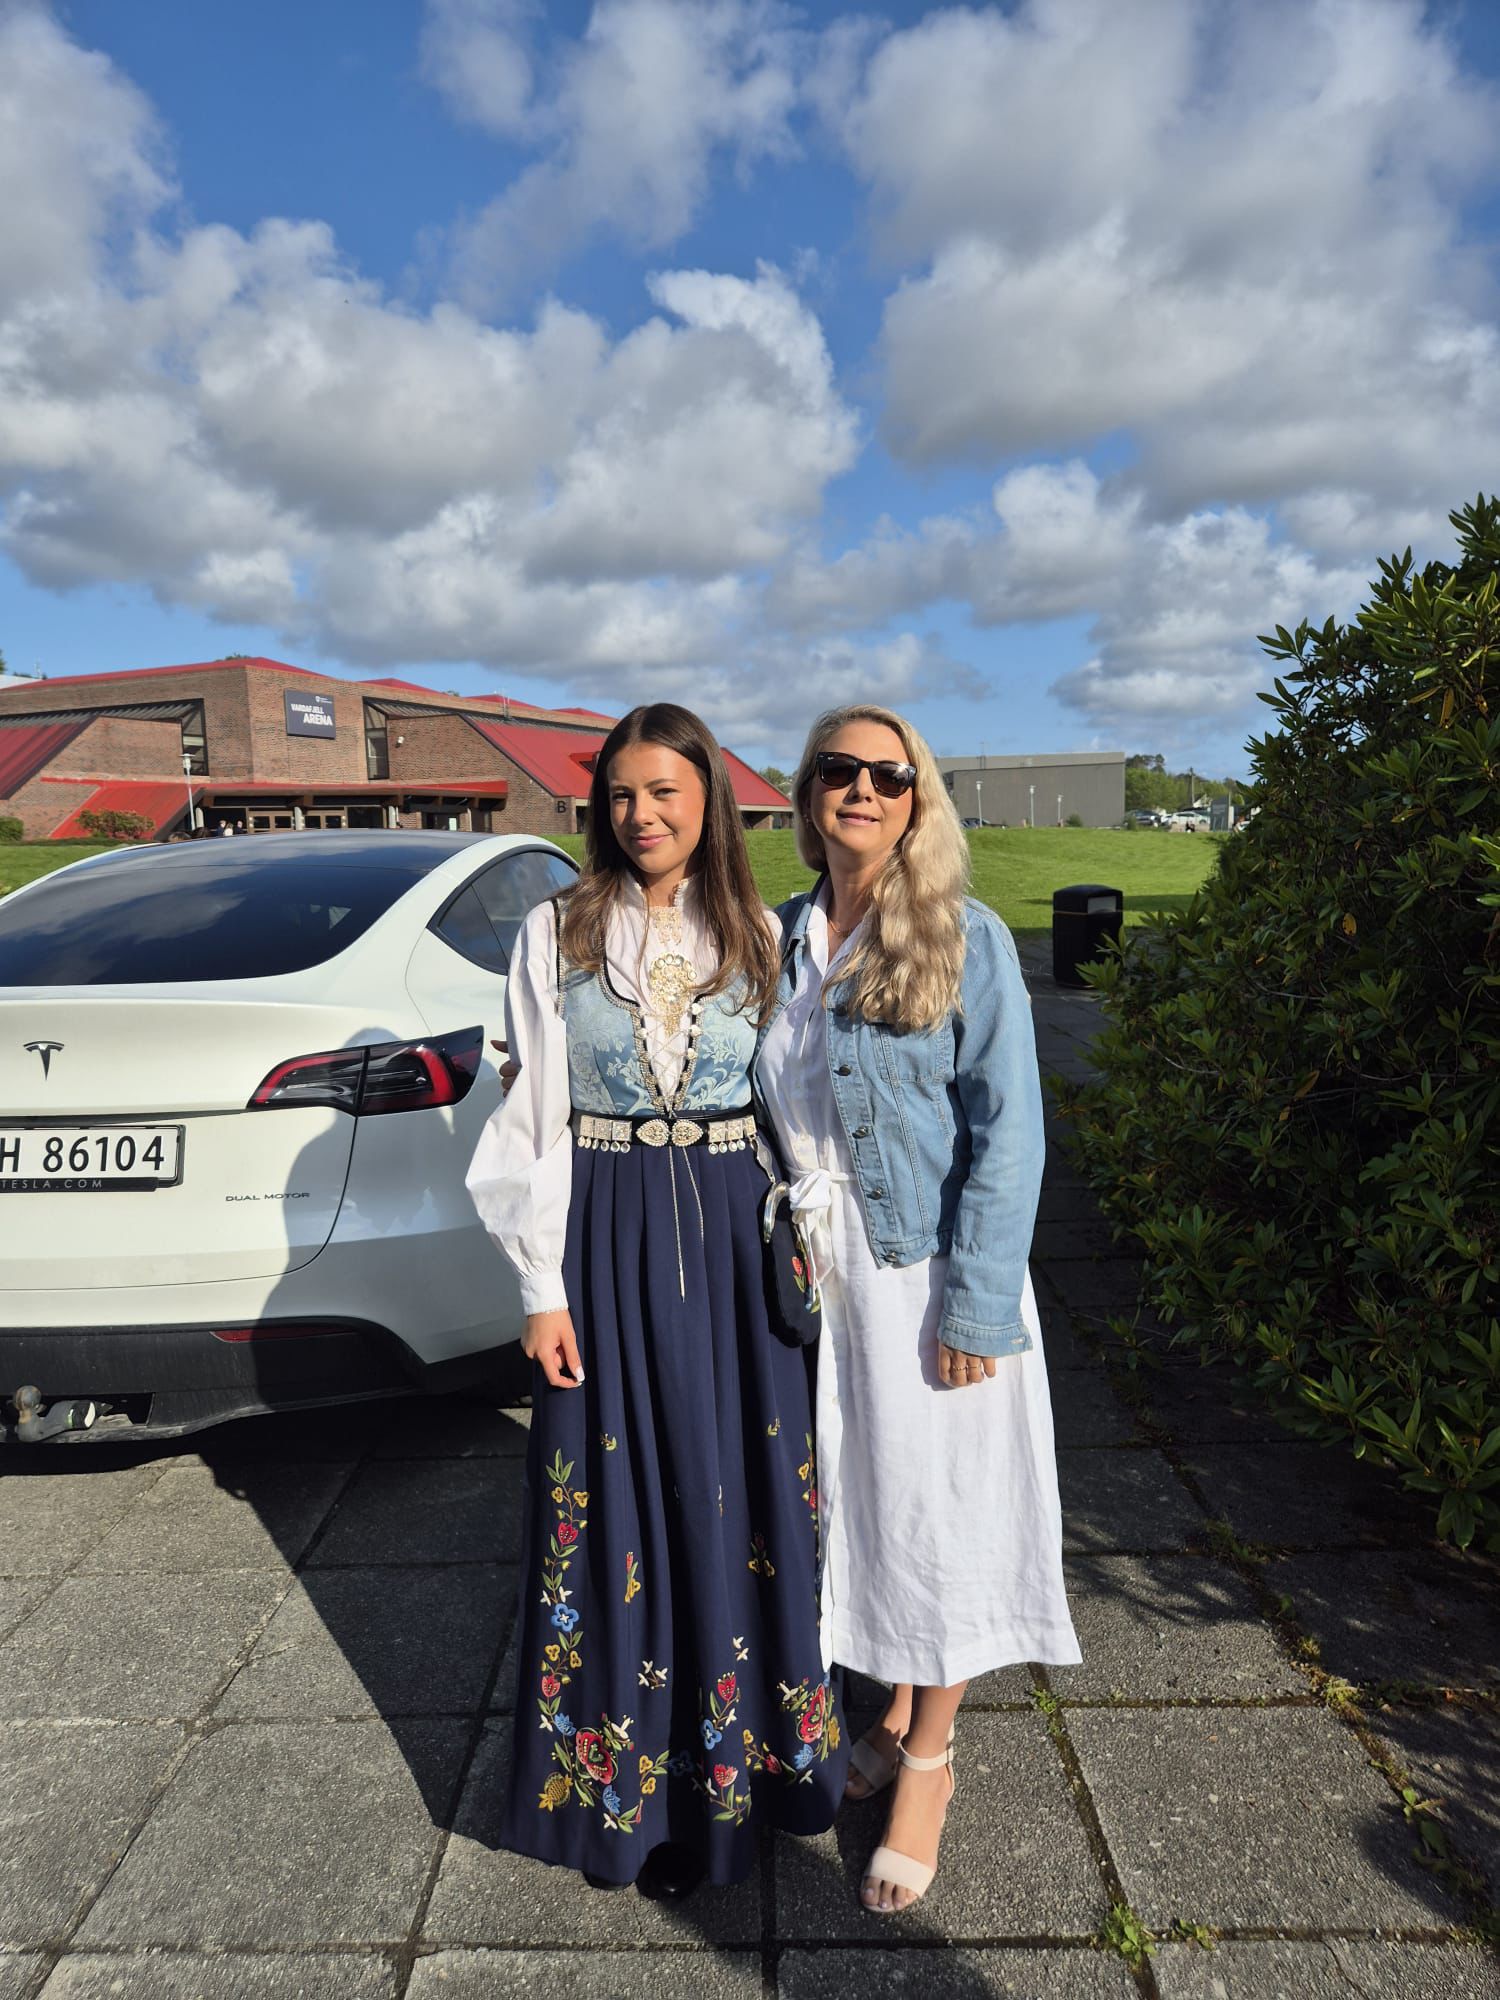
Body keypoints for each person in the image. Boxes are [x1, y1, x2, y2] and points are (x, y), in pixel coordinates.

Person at [466, 703, 846, 1897]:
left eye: (666, 792)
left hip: (738, 1234)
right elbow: (529, 1124)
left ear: (708, 803)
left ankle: (754, 1786)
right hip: (610, 1233)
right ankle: (631, 1805)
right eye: (623, 794)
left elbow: (804, 1109)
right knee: (619, 1508)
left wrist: (825, 1257)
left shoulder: (763, 932)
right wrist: (540, 1287)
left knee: (739, 1502)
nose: (643, 814)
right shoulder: (555, 932)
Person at [753, 704, 1079, 1915]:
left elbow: (1011, 1136)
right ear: (806, 796)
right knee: (862, 1502)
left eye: (891, 776)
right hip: (822, 1272)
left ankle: (928, 1756)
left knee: (934, 1509)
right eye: (841, 770)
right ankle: (887, 1709)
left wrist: (980, 1302)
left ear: (918, 799)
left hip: (925, 1269)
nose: (865, 789)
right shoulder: (779, 937)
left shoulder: (963, 935)